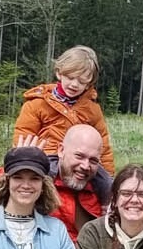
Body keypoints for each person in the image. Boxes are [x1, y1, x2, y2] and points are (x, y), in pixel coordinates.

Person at [0, 123, 109, 238]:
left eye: (93, 160)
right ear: (61, 150)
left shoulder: (104, 191)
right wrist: (17, 165)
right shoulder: (36, 182)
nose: (85, 166)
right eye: (79, 156)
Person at [12, 44, 117, 174]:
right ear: (59, 73)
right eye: (70, 78)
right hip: (47, 157)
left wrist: (109, 174)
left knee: (107, 184)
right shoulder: (37, 103)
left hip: (82, 161)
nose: (74, 84)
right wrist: (25, 158)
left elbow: (103, 145)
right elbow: (23, 135)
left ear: (89, 84)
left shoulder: (92, 110)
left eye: (82, 81)